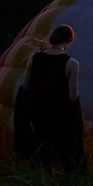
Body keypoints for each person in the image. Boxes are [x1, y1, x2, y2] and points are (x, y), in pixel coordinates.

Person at [17, 26, 85, 171]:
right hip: (60, 116)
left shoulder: (34, 58)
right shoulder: (72, 64)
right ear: (70, 40)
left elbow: (26, 87)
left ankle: (40, 182)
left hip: (38, 114)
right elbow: (73, 96)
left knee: (41, 152)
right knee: (62, 152)